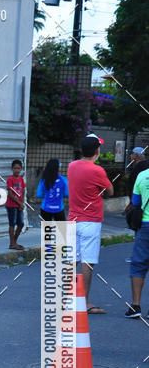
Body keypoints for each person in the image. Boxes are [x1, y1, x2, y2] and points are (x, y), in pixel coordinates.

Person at [67, 134, 113, 314]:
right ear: (97, 151)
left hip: (72, 218)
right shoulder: (97, 170)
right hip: (90, 221)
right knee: (88, 262)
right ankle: (84, 302)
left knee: (72, 260)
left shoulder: (72, 166)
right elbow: (110, 191)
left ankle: (66, 298)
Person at [125, 165, 149, 318]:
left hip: (145, 225)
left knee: (139, 264)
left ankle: (135, 306)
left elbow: (136, 201)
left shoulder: (142, 175)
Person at [6, 158, 26, 250]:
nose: (17, 170)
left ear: (21, 169)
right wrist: (19, 203)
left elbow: (23, 191)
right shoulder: (10, 179)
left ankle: (14, 242)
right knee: (12, 224)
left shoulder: (21, 179)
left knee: (21, 224)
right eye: (15, 168)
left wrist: (22, 203)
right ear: (12, 169)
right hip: (11, 205)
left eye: (18, 168)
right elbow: (10, 194)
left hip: (19, 205)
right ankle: (12, 243)